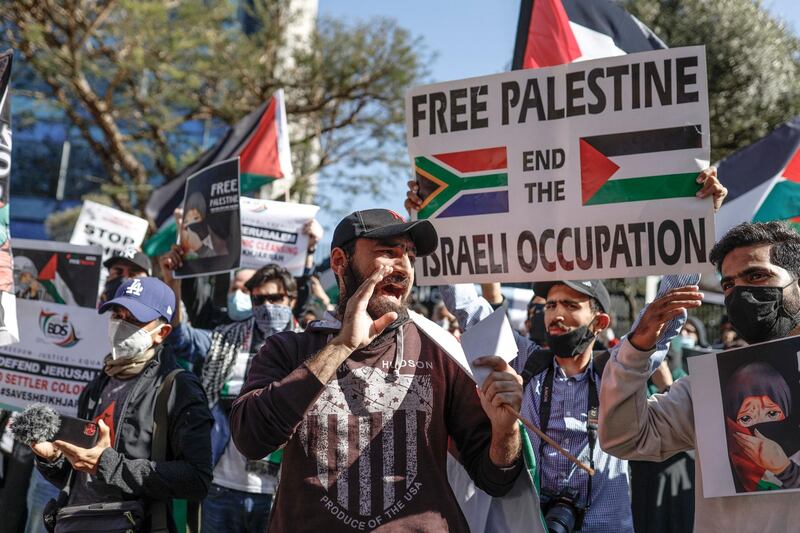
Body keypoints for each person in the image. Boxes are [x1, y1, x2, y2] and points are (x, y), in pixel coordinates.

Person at [405, 167, 726, 533]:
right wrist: (428, 224)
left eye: (572, 305)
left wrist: (699, 221)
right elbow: (466, 305)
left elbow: (663, 319)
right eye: (552, 304)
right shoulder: (525, 362)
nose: (557, 314)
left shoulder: (618, 372)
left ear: (600, 322)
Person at [229, 209, 525, 531]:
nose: (404, 268)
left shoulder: (441, 350)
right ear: (340, 262)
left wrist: (505, 430)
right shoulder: (288, 349)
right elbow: (251, 439)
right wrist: (342, 346)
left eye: (410, 256)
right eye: (388, 253)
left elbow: (496, 479)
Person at [600, 221, 800, 531]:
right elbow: (624, 438)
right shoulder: (710, 388)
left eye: (757, 275)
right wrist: (636, 350)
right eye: (728, 284)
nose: (740, 292)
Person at [28, 277, 213, 533]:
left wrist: (109, 464)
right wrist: (52, 459)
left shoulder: (178, 388)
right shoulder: (100, 382)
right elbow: (80, 477)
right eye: (117, 314)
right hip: (75, 522)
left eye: (134, 319)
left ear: (162, 333)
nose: (120, 324)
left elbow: (197, 479)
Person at [160, 252, 298, 533]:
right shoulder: (226, 337)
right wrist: (172, 282)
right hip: (222, 486)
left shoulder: (311, 348)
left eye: (276, 299)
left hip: (280, 491)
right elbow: (179, 337)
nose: (268, 306)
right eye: (259, 299)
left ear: (292, 300)